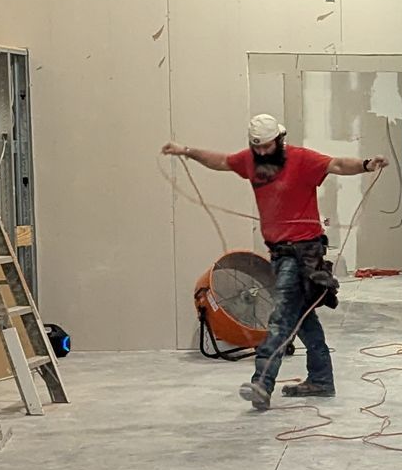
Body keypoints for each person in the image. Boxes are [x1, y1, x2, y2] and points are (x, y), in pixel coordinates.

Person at [163, 114, 384, 409]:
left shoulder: (302, 159)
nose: (263, 153)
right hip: (279, 252)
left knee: (280, 316)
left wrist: (367, 164)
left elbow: (336, 165)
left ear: (279, 140)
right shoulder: (251, 162)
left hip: (304, 252)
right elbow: (222, 161)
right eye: (258, 148)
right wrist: (187, 151)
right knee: (304, 316)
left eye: (268, 146)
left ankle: (262, 383)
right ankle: (321, 379)